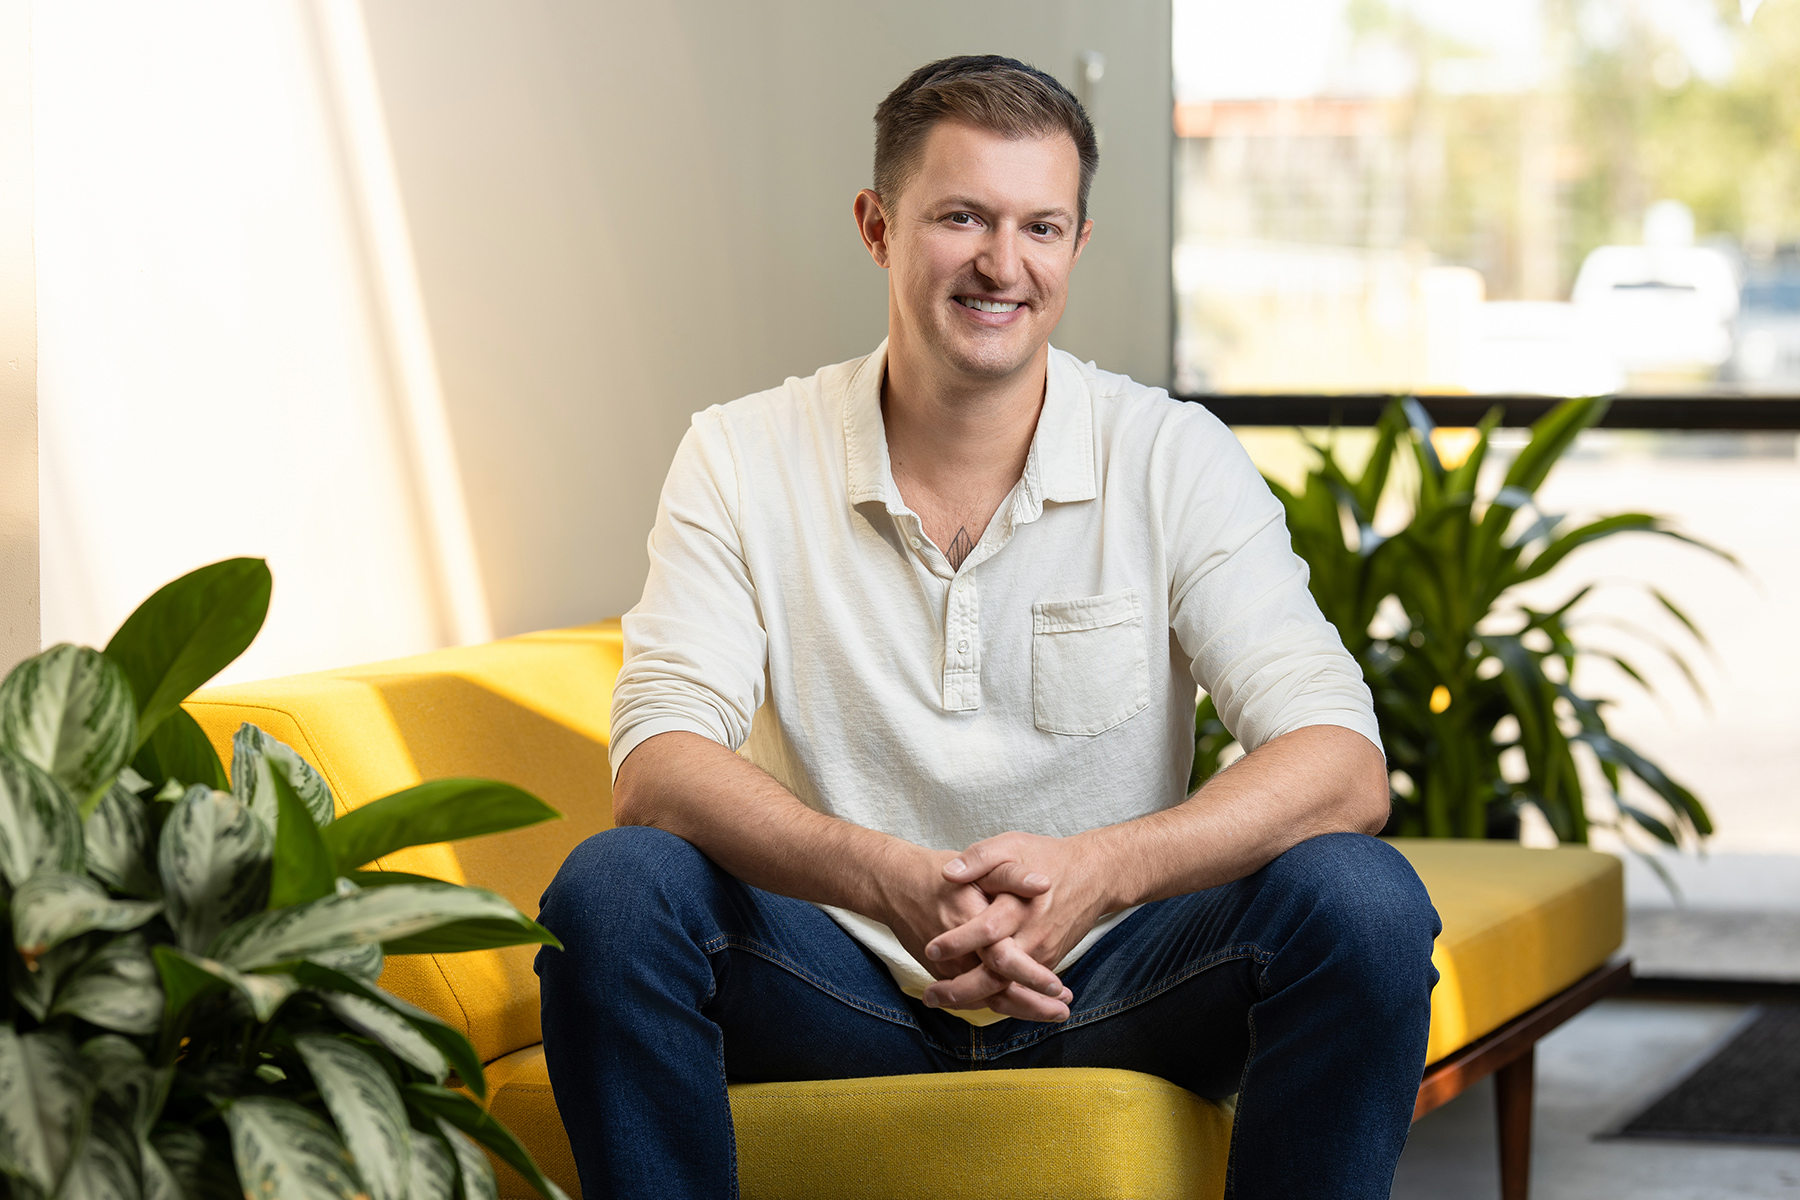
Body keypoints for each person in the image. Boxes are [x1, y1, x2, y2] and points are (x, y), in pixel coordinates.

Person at [536, 54, 1439, 1200]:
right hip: (841, 987)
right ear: (877, 226)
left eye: (1041, 226)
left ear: (1075, 244)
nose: (1002, 264)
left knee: (1364, 902)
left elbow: (1341, 761)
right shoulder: (741, 454)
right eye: (961, 217)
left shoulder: (1170, 455)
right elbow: (656, 766)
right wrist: (889, 881)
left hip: (1116, 986)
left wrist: (1101, 873)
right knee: (617, 891)